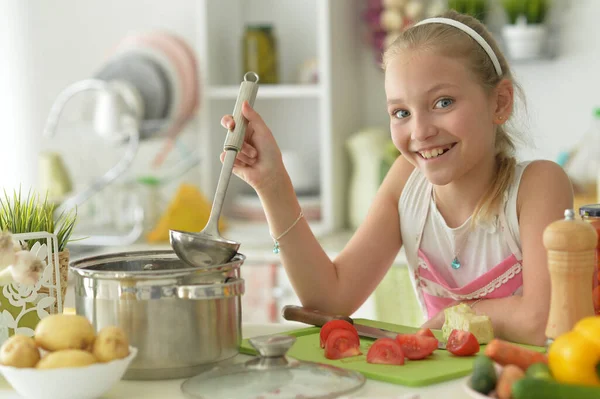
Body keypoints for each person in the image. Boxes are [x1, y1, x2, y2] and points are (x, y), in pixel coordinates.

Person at [220, 10, 573, 346]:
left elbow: (541, 320)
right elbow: (329, 301)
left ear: (499, 103)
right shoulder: (408, 180)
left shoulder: (538, 186)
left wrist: (450, 317)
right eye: (401, 112)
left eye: (443, 102)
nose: (419, 131)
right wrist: (273, 184)